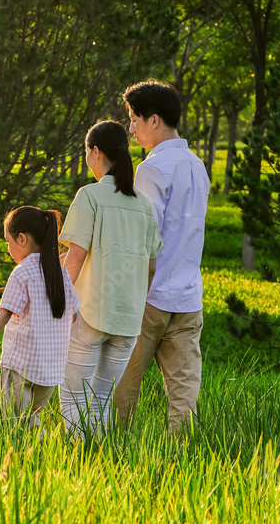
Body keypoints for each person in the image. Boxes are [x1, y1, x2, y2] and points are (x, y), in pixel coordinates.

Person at [114, 80, 211, 434]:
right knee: (184, 395)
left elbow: (143, 238)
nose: (132, 129)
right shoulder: (198, 166)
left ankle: (111, 452)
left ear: (154, 120)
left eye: (134, 119)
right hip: (187, 298)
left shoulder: (151, 169)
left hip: (149, 298)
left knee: (122, 387)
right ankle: (179, 461)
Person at [59, 120, 163, 437]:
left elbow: (75, 257)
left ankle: (77, 462)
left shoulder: (90, 195)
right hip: (129, 318)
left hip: (90, 312)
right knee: (101, 401)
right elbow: (151, 266)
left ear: (95, 151)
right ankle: (99, 459)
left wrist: (56, 302)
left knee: (73, 397)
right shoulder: (143, 206)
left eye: (86, 152)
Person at [0, 206, 80, 430]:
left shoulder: (22, 272)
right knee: (30, 421)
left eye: (7, 241)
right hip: (49, 372)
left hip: (20, 367)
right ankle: (42, 458)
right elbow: (72, 317)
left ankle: (39, 454)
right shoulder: (60, 273)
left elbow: (2, 316)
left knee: (14, 425)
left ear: (21, 239)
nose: (7, 248)